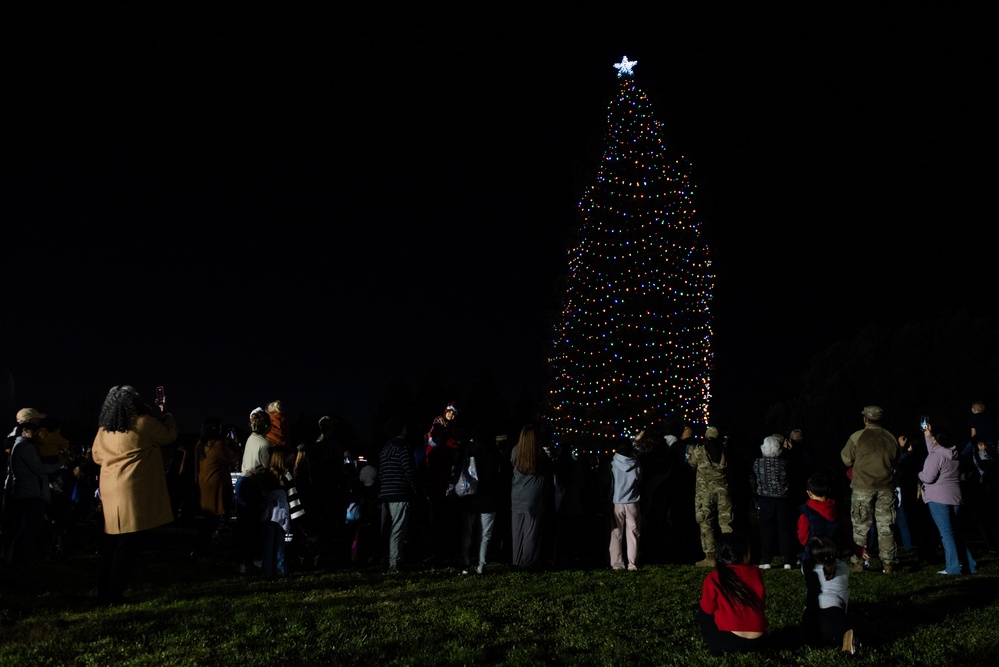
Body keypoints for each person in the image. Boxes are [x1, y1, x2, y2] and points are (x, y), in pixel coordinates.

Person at [90, 385, 178, 605]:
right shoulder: (143, 423)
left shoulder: (104, 429)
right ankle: (114, 594)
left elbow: (96, 457)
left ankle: (103, 592)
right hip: (132, 489)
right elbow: (169, 436)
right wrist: (166, 414)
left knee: (112, 543)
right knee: (128, 545)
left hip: (110, 489)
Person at [840, 405, 899, 574]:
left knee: (860, 526)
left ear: (865, 419)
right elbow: (895, 460)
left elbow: (845, 458)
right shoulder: (890, 437)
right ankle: (888, 564)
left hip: (862, 487)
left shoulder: (857, 436)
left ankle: (858, 563)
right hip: (886, 487)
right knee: (886, 526)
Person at [914, 422, 977, 575]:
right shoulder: (952, 454)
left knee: (946, 534)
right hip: (955, 497)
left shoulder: (935, 456)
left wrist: (919, 474)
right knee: (955, 533)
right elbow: (935, 451)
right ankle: (970, 565)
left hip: (937, 498)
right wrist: (928, 435)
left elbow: (928, 477)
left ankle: (953, 568)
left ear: (936, 439)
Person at [695, 533, 769, 656]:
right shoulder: (755, 573)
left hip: (730, 640)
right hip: (758, 639)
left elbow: (707, 609)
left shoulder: (713, 577)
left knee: (703, 614)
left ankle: (715, 648)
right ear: (744, 554)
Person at [2, 421, 52, 575]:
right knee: (28, 530)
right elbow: (38, 469)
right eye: (34, 431)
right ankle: (18, 562)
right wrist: (57, 465)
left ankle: (16, 560)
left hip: (24, 492)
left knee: (23, 529)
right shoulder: (25, 447)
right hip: (30, 493)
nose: (37, 435)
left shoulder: (19, 446)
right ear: (25, 430)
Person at [192, 417, 240, 560]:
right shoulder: (218, 445)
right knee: (212, 522)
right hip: (216, 488)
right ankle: (204, 550)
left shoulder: (200, 444)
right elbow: (233, 459)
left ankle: (200, 549)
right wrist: (235, 444)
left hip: (203, 486)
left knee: (207, 521)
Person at [802, 535, 860, 653]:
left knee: (812, 639)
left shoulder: (807, 567)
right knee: (845, 629)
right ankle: (847, 636)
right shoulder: (843, 567)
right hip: (835, 614)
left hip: (812, 616)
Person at [457, 424, 501, 575]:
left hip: (470, 497)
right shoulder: (494, 452)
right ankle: (481, 565)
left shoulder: (468, 451)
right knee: (485, 535)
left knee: (467, 532)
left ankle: (465, 563)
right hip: (489, 497)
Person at [688, 426, 732, 567]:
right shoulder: (725, 452)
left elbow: (690, 465)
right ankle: (730, 555)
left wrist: (691, 452)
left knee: (706, 524)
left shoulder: (699, 452)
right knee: (726, 523)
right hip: (723, 492)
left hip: (704, 494)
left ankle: (710, 557)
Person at [509, 424, 551, 569]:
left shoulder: (515, 451)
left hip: (517, 495)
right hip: (534, 496)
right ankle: (529, 562)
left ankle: (517, 560)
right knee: (531, 532)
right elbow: (549, 469)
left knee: (517, 531)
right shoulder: (539, 453)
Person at [235, 407, 271, 573]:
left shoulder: (251, 438)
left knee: (243, 526)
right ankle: (253, 561)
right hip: (252, 485)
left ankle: (243, 561)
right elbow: (266, 469)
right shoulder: (265, 444)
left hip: (242, 482)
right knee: (253, 526)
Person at [378, 415, 416, 573]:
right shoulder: (403, 446)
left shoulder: (385, 448)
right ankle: (394, 563)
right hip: (399, 492)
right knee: (398, 529)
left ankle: (388, 559)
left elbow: (381, 473)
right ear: (401, 429)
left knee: (387, 529)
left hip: (385, 494)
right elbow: (408, 470)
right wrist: (415, 488)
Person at [752, 434, 796, 569]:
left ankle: (766, 560)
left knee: (766, 530)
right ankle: (788, 560)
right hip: (782, 499)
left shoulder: (757, 463)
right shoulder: (785, 463)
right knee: (784, 529)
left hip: (765, 499)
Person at [608, 432, 643, 570]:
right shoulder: (637, 464)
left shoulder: (612, 463)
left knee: (616, 534)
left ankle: (616, 563)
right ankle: (632, 563)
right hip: (633, 502)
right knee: (633, 534)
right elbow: (639, 480)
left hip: (616, 502)